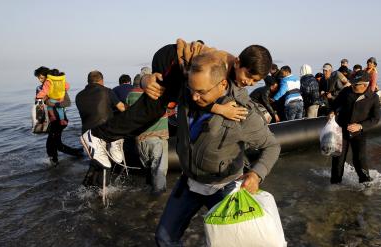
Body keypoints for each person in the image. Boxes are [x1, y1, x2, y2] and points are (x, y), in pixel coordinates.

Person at [155, 52, 280, 246]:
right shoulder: (190, 90)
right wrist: (148, 79)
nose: (194, 96)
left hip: (224, 187)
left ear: (222, 85)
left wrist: (256, 174)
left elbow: (272, 146)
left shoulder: (242, 112)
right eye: (191, 88)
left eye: (201, 92)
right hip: (189, 181)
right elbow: (171, 54)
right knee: (164, 237)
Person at [81, 40, 270, 168]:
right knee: (152, 107)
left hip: (183, 68)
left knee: (155, 114)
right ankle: (96, 136)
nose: (250, 83)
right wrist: (221, 109)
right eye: (248, 77)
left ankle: (113, 137)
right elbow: (194, 97)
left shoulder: (232, 74)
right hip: (170, 59)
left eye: (255, 81)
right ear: (237, 63)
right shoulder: (217, 67)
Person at [328, 70, 380, 184]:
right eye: (352, 83)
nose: (352, 86)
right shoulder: (346, 91)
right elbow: (335, 104)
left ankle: (366, 184)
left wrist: (360, 126)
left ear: (365, 85)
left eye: (355, 84)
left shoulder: (373, 98)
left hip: (359, 134)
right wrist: (332, 111)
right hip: (342, 131)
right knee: (338, 159)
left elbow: (375, 119)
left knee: (360, 160)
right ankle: (335, 185)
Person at [76, 70, 126, 186]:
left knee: (96, 159)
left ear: (88, 81)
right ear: (101, 81)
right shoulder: (107, 91)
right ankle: (103, 192)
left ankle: (87, 186)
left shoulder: (79, 96)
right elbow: (122, 108)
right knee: (106, 164)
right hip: (104, 132)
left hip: (87, 134)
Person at [126, 74, 169, 195]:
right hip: (157, 140)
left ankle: (148, 194)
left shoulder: (131, 95)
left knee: (149, 169)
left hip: (140, 140)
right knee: (159, 170)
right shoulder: (159, 95)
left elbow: (127, 113)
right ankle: (156, 202)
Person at [35, 68, 82, 165]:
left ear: (48, 77)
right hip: (49, 120)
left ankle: (54, 162)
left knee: (52, 143)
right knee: (56, 143)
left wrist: (50, 103)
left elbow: (67, 103)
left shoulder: (59, 87)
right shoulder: (39, 89)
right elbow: (38, 104)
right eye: (38, 78)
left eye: (41, 78)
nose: (40, 80)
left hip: (59, 120)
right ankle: (77, 153)